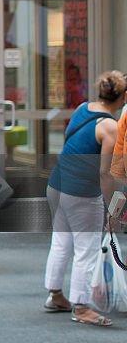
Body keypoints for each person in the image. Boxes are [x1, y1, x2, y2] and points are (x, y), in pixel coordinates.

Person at [42, 70, 127, 326]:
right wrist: (114, 209)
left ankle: (55, 294)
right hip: (80, 193)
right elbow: (106, 173)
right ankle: (81, 307)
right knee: (86, 249)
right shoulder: (110, 127)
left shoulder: (83, 108)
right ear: (123, 96)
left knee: (61, 242)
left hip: (57, 184)